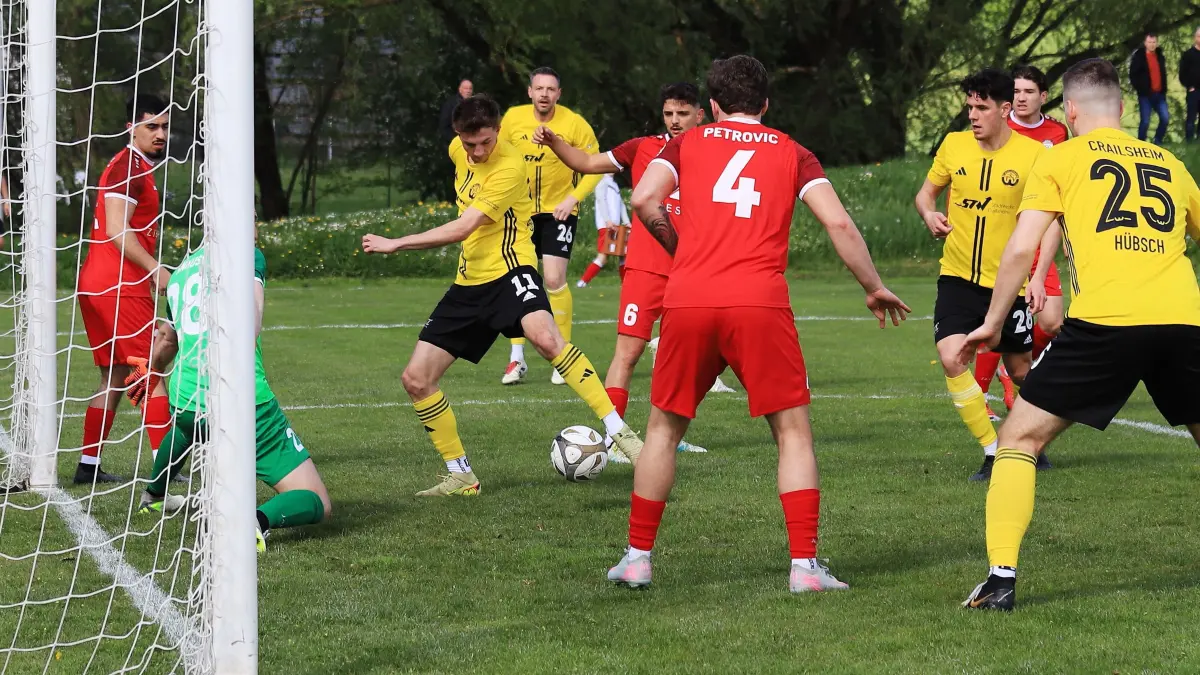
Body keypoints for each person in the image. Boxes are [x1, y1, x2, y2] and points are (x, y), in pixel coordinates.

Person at [606, 55, 910, 592]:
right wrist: (873, 285)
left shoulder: (686, 143)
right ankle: (804, 569)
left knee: (662, 428)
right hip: (759, 300)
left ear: (714, 106)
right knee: (792, 434)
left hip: (690, 297)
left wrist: (680, 250)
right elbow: (837, 221)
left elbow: (644, 197)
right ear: (766, 104)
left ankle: (636, 558)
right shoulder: (794, 152)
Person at [959, 58, 1200, 612]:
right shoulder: (1170, 161)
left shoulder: (1061, 158)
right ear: (1123, 109)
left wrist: (993, 322)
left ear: (1068, 109)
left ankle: (1000, 581)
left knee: (1019, 440)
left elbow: (1021, 248)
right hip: (1181, 320)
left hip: (1108, 323)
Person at [360, 95, 644, 494]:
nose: (477, 151)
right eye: (469, 143)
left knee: (547, 340)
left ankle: (620, 433)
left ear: (497, 131)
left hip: (512, 269)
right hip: (469, 281)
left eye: (486, 142)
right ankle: (461, 475)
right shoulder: (457, 149)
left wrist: (396, 243)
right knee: (416, 379)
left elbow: (463, 228)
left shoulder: (510, 166)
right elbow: (465, 217)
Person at [535, 82, 714, 455]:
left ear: (701, 114)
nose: (675, 121)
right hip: (646, 269)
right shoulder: (644, 147)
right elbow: (586, 163)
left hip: (692, 270)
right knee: (628, 353)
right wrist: (555, 143)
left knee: (676, 359)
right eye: (669, 114)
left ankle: (664, 439)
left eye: (683, 114)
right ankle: (617, 441)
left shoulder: (716, 152)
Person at [137, 244, 332, 555]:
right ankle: (255, 521)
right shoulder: (245, 253)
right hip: (242, 402)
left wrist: (153, 371)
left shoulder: (180, 272)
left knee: (188, 429)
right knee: (318, 500)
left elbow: (167, 339)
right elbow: (251, 324)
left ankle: (152, 496)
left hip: (185, 400)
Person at [914, 69, 1045, 482]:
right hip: (955, 277)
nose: (972, 115)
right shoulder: (954, 146)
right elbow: (925, 193)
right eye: (969, 106)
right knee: (952, 357)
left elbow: (1053, 220)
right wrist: (928, 213)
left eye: (982, 107)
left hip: (1008, 286)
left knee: (1022, 371)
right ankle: (993, 450)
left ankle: (1034, 440)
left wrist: (1038, 275)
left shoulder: (1034, 157)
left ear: (1005, 109)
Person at [74, 94, 173, 485]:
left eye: (165, 126)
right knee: (150, 369)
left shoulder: (133, 166)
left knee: (115, 375)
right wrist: (154, 268)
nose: (160, 133)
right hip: (118, 283)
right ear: (131, 128)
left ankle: (88, 465)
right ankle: (164, 470)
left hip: (99, 281)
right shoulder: (127, 168)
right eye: (152, 126)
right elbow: (117, 228)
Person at [974, 65, 1070, 421]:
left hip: (1042, 234)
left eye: (1029, 91)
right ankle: (981, 393)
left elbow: (1060, 189)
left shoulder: (1057, 133)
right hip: (1005, 241)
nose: (1021, 97)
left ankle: (1018, 366)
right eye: (1017, 91)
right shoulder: (1000, 127)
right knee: (995, 321)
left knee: (1053, 322)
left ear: (1043, 96)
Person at [499, 67, 601, 386]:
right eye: (539, 88)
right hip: (521, 213)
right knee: (520, 281)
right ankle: (516, 359)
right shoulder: (513, 120)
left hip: (559, 212)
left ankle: (562, 359)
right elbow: (495, 156)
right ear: (529, 92)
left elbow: (596, 166)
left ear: (559, 94)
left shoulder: (574, 123)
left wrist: (573, 198)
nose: (544, 93)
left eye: (551, 89)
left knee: (554, 279)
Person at [576, 174, 627, 288]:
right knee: (603, 257)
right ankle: (583, 282)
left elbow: (621, 204)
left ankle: (626, 285)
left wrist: (627, 222)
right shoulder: (601, 181)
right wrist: (607, 220)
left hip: (616, 226)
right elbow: (601, 200)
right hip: (606, 226)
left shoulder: (614, 184)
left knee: (623, 255)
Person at [1130, 32, 1169, 145]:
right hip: (1145, 95)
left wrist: (1164, 89)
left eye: (1154, 42)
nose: (1152, 45)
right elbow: (1133, 75)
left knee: (1165, 118)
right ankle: (1141, 144)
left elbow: (1163, 73)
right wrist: (1140, 89)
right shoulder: (1139, 57)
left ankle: (1158, 141)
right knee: (1145, 121)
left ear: (1156, 43)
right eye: (1149, 42)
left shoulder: (1160, 56)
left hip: (1159, 94)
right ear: (1145, 43)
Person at [1179, 27, 1200, 141]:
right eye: (1199, 36)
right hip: (1193, 91)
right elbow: (1182, 73)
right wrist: (1189, 86)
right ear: (1195, 38)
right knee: (1191, 118)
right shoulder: (1188, 54)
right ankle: (1189, 142)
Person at [438, 79, 473, 144]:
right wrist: (457, 141)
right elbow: (444, 127)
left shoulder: (475, 104)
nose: (468, 91)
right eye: (466, 88)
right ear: (460, 89)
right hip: (456, 144)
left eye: (470, 89)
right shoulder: (450, 104)